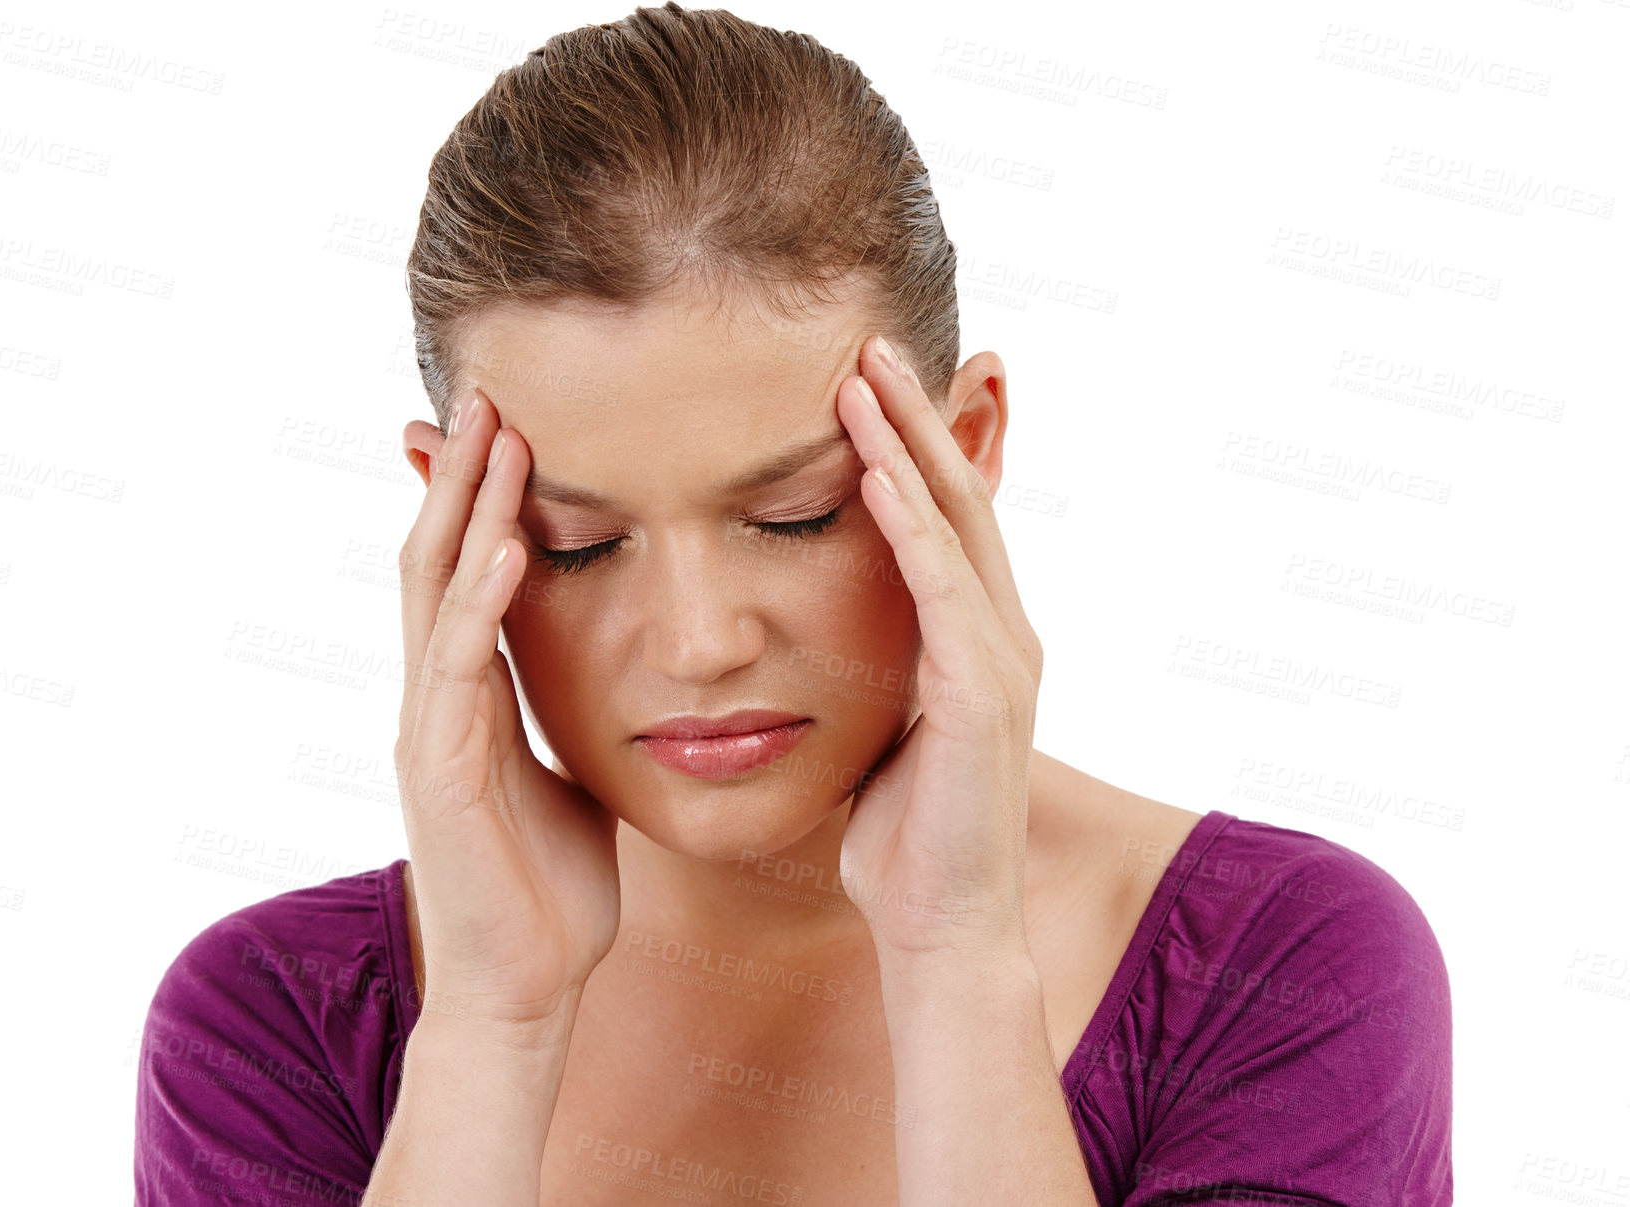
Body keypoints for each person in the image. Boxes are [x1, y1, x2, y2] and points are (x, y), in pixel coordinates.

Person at [133, 5, 1453, 1204]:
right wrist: (492, 1023)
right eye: (579, 543)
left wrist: (954, 964)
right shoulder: (274, 1024)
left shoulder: (1286, 973)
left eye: (794, 517)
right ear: (452, 521)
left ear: (967, 445)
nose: (702, 641)